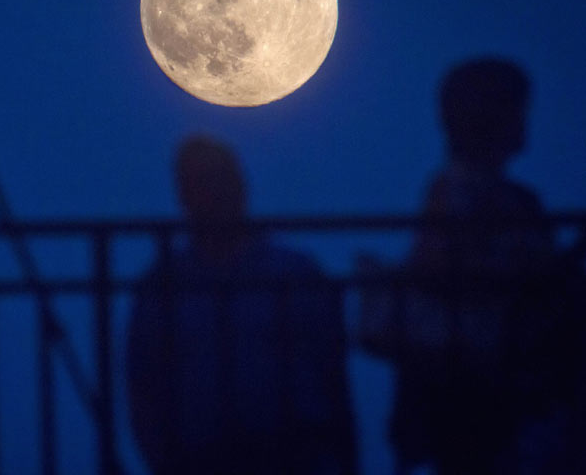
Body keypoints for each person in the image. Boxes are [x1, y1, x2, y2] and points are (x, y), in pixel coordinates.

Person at [360, 57, 584, 474]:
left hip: (501, 392)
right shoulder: (463, 193)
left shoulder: (497, 195)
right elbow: (443, 270)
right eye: (517, 109)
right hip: (487, 396)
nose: (524, 120)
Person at [126, 135, 357, 475]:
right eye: (199, 183)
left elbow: (332, 374)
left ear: (240, 186)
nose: (213, 194)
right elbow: (143, 387)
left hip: (291, 453)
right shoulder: (162, 287)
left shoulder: (295, 274)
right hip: (201, 458)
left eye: (219, 180)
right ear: (183, 195)